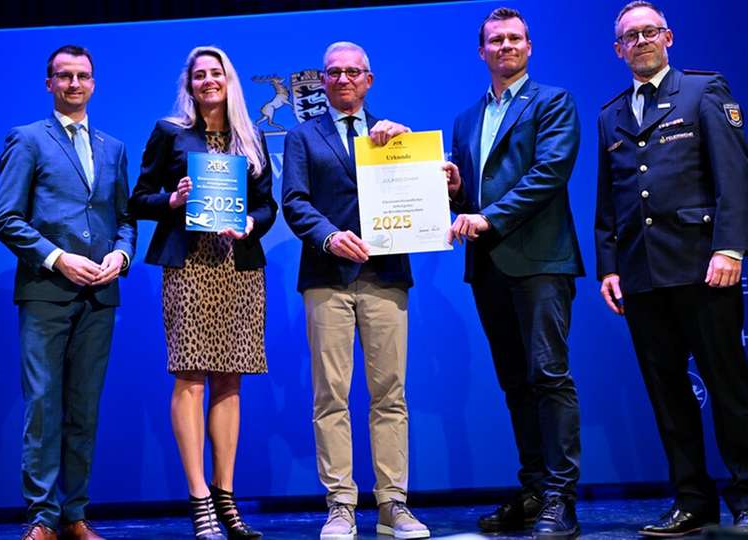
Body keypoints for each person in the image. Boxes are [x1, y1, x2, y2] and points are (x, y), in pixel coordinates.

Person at [595, 1, 748, 535]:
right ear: (618, 49)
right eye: (630, 36)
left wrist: (730, 249)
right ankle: (692, 499)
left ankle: (747, 493)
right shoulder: (610, 114)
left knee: (729, 388)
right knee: (668, 394)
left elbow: (734, 176)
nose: (640, 41)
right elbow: (608, 202)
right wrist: (609, 266)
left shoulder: (703, 91)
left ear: (669, 36)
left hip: (704, 267)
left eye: (649, 31)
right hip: (641, 276)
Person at [281, 41, 430, 540]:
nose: (343, 79)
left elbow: (426, 193)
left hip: (386, 277)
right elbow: (295, 202)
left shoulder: (393, 135)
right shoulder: (303, 137)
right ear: (322, 81)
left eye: (353, 72)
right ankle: (340, 505)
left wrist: (415, 154)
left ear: (369, 80)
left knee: (390, 395)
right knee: (332, 397)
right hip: (327, 279)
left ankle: (393, 506)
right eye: (333, 72)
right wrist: (329, 235)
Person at [444, 7, 583, 538]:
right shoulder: (466, 118)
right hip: (489, 265)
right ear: (481, 51)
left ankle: (560, 499)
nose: (506, 46)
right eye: (495, 40)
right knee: (516, 384)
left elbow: (549, 172)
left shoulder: (553, 101)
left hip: (541, 260)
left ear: (529, 46)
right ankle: (533, 488)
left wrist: (487, 215)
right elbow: (468, 194)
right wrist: (456, 189)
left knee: (549, 376)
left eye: (515, 38)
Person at [128, 46, 276, 540]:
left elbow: (267, 207)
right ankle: (199, 500)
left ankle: (226, 496)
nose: (208, 80)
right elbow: (139, 198)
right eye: (200, 74)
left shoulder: (249, 137)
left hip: (238, 266)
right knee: (190, 376)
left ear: (229, 80)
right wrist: (173, 198)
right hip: (189, 265)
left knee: (231, 381)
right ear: (189, 84)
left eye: (216, 73)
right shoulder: (171, 133)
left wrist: (251, 225)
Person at [0, 45, 136, 540]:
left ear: (94, 83)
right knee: (43, 406)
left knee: (84, 408)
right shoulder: (28, 139)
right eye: (64, 76)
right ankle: (42, 517)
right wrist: (58, 258)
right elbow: (6, 218)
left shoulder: (113, 147)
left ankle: (74, 514)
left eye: (83, 76)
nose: (75, 84)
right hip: (46, 292)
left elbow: (125, 219)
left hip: (100, 296)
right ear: (49, 83)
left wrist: (121, 255)